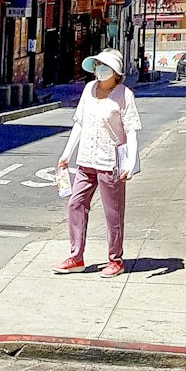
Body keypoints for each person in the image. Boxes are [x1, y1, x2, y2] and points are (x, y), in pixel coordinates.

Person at [53, 47, 141, 278]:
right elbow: (80, 123)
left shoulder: (124, 95)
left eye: (105, 67)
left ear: (116, 72)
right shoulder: (88, 90)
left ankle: (115, 259)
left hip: (110, 163)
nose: (99, 70)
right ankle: (76, 256)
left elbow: (131, 131)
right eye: (98, 66)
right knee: (75, 203)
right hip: (86, 161)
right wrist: (66, 154)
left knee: (113, 213)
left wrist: (129, 163)